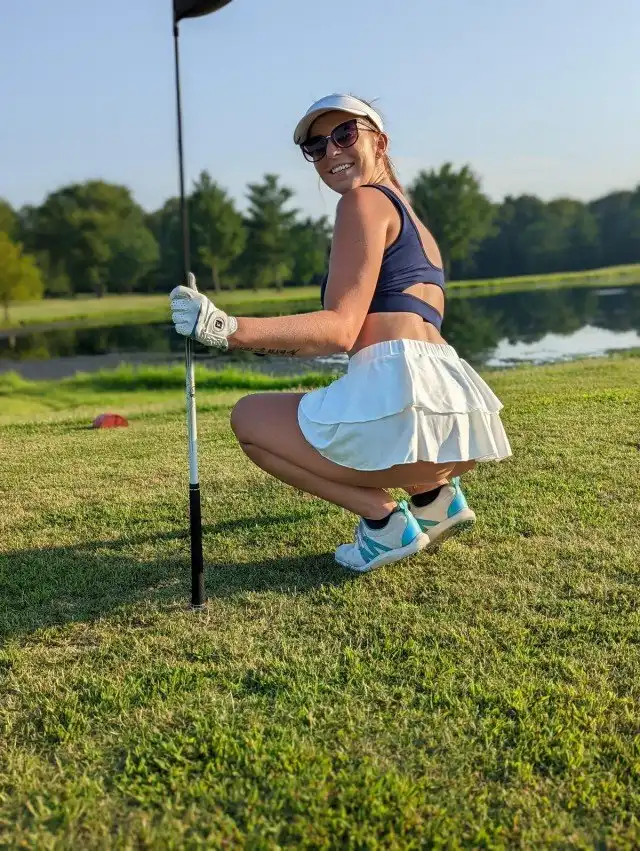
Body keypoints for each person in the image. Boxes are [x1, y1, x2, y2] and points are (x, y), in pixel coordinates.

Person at [170, 93, 512, 573]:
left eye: (345, 134)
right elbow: (358, 335)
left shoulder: (362, 201)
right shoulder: (414, 222)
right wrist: (250, 339)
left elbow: (340, 330)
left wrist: (224, 328)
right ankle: (435, 499)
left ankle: (383, 522)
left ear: (380, 142)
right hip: (452, 428)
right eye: (315, 147)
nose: (331, 151)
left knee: (248, 419)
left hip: (406, 416)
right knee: (318, 404)